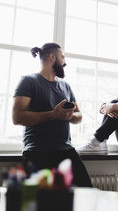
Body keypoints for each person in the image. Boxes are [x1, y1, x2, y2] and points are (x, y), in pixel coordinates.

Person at [12, 42, 92, 187]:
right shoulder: (28, 81)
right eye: (63, 57)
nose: (65, 62)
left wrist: (69, 116)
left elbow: (79, 115)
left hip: (66, 151)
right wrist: (53, 115)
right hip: (37, 152)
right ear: (52, 57)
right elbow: (17, 117)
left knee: (88, 194)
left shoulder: (65, 86)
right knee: (44, 206)